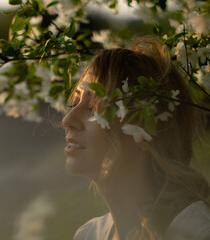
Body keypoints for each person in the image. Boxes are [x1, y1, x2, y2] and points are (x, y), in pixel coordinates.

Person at [62, 38, 210, 240]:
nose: (67, 120)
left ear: (146, 129)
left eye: (94, 107)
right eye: (75, 103)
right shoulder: (87, 235)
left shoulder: (196, 233)